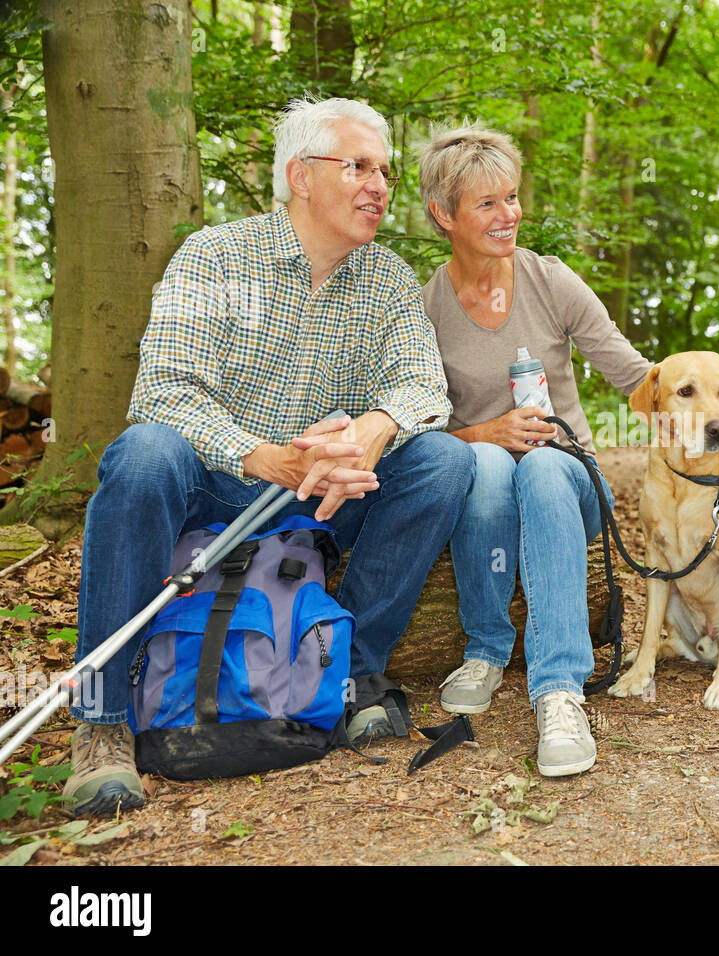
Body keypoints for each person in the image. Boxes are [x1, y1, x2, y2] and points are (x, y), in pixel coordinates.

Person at [64, 97, 475, 815]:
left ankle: (347, 675)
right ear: (302, 176)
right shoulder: (215, 256)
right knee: (143, 454)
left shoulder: (388, 279)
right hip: (218, 485)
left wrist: (374, 427)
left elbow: (422, 384)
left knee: (442, 461)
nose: (379, 185)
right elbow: (164, 389)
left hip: (324, 501)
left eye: (385, 171)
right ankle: (100, 721)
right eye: (359, 167)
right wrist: (263, 455)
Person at [416, 122, 719, 777]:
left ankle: (560, 690)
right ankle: (487, 648)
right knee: (484, 462)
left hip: (567, 486)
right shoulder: (425, 305)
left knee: (543, 465)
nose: (509, 214)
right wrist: (483, 433)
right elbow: (414, 424)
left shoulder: (550, 281)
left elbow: (640, 375)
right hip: (482, 492)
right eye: (487, 203)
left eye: (512, 198)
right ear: (443, 213)